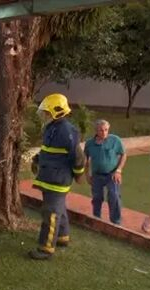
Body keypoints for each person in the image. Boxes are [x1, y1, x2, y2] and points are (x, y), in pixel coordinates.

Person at [29, 93, 86, 260]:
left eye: (47, 112)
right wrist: (38, 159)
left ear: (57, 112)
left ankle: (45, 248)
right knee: (58, 208)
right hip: (49, 176)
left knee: (51, 213)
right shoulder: (51, 128)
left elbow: (78, 156)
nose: (44, 116)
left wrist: (79, 173)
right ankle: (62, 236)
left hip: (58, 179)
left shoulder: (67, 131)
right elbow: (49, 150)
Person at [84, 119, 127, 224]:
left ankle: (116, 221)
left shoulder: (115, 140)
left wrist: (118, 170)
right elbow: (86, 160)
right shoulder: (89, 144)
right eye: (101, 130)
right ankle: (96, 218)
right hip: (97, 175)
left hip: (112, 174)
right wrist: (87, 175)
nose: (104, 133)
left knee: (114, 195)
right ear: (96, 131)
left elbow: (123, 154)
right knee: (97, 197)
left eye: (106, 130)